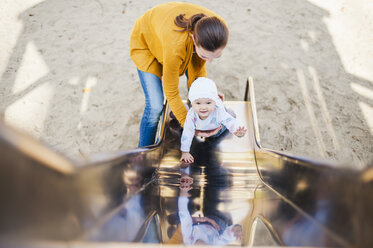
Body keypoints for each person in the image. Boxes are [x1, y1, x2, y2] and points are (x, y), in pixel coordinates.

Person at [130, 2, 229, 147]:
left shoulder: (218, 28)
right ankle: (143, 152)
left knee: (197, 88)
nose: (210, 61)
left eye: (216, 56)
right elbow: (171, 92)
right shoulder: (176, 46)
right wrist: (187, 124)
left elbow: (198, 69)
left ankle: (192, 116)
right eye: (205, 55)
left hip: (169, 34)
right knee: (155, 106)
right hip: (147, 41)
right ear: (194, 39)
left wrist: (208, 94)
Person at [180, 77, 247, 163]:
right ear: (193, 103)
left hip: (216, 128)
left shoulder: (218, 111)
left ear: (214, 102)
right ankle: (184, 108)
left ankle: (228, 110)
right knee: (184, 123)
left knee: (230, 115)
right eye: (198, 103)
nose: (203, 107)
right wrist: (185, 152)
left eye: (208, 103)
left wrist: (237, 131)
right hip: (197, 128)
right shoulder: (191, 115)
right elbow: (187, 133)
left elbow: (229, 121)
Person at [178, 175, 243, 245]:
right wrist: (237, 230)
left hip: (209, 217)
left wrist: (183, 192)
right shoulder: (214, 244)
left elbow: (183, 214)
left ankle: (212, 174)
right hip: (221, 223)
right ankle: (221, 176)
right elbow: (227, 236)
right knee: (219, 194)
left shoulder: (188, 238)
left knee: (210, 199)